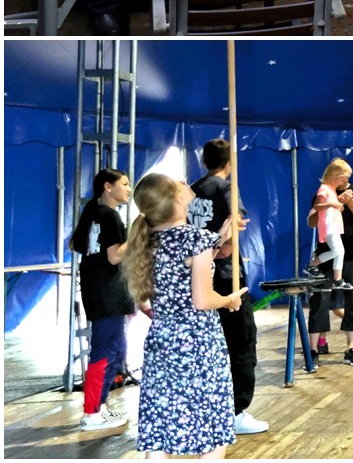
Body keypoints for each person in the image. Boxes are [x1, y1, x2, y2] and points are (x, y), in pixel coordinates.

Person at [123, 173, 246, 458]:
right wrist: (228, 300)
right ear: (178, 199)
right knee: (212, 429)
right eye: (178, 183)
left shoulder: (148, 240)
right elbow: (202, 299)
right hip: (198, 344)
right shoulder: (195, 239)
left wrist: (219, 239)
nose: (184, 181)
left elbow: (182, 268)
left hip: (162, 341)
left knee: (161, 425)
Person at [187, 139, 267, 436]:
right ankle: (235, 411)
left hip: (196, 275)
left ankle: (205, 408)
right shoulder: (226, 188)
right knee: (241, 341)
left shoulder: (191, 191)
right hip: (225, 275)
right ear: (229, 163)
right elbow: (235, 225)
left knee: (208, 346)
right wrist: (227, 246)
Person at [69, 168, 134, 431]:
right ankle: (91, 413)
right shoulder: (109, 216)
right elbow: (115, 256)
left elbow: (75, 245)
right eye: (125, 184)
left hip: (99, 290)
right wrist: (137, 235)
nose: (128, 189)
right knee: (105, 351)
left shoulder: (91, 212)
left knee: (116, 349)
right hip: (107, 292)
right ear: (108, 187)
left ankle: (100, 406)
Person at [306, 159, 353, 367]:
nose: (346, 179)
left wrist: (349, 202)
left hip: (352, 255)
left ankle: (351, 348)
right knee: (319, 301)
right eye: (343, 176)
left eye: (348, 177)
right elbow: (310, 221)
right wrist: (324, 207)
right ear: (335, 175)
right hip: (327, 254)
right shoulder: (324, 190)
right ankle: (314, 350)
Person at [306, 160, 353, 291]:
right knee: (338, 251)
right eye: (341, 180)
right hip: (328, 225)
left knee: (340, 251)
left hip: (333, 225)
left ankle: (338, 279)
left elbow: (331, 205)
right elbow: (317, 206)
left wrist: (339, 202)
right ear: (334, 175)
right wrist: (333, 204)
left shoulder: (332, 190)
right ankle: (312, 265)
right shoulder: (324, 188)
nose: (343, 183)